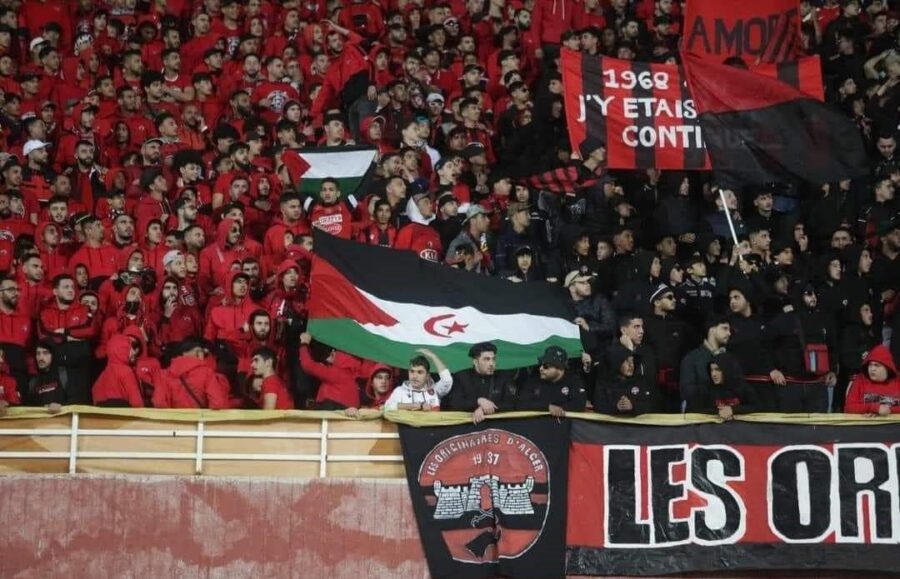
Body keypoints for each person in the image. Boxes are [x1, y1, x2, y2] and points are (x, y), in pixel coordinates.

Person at [447, 342, 518, 423]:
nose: (491, 363)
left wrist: (483, 408)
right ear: (475, 362)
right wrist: (478, 401)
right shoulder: (461, 377)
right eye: (486, 359)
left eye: (493, 359)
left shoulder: (503, 376)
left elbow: (511, 404)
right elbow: (454, 404)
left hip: (498, 426)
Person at [153, 339, 229, 409]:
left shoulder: (164, 374)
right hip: (200, 420)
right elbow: (217, 403)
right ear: (198, 353)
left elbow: (159, 402)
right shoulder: (207, 372)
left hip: (175, 420)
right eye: (201, 351)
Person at [515, 345, 587, 415]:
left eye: (546, 366)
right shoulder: (534, 379)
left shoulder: (573, 380)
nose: (541, 368)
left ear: (560, 368)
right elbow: (521, 403)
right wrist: (547, 407)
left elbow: (579, 405)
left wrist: (558, 408)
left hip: (563, 424)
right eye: (541, 365)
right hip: (536, 423)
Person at [383, 349, 453, 411]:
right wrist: (412, 406)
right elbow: (386, 407)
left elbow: (447, 380)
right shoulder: (400, 391)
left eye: (420, 372)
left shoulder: (435, 390)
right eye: (412, 371)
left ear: (427, 376)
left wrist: (433, 357)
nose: (414, 376)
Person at [844, 345, 900, 415]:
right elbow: (849, 407)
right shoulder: (860, 380)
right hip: (864, 425)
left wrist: (889, 410)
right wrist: (874, 408)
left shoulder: (898, 381)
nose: (872, 369)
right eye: (870, 365)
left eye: (877, 365)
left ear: (887, 367)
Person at [91, 334, 143, 407]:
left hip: (104, 413)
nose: (132, 351)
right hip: (122, 413)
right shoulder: (126, 371)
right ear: (123, 349)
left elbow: (95, 390)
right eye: (129, 347)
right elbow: (136, 400)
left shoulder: (105, 371)